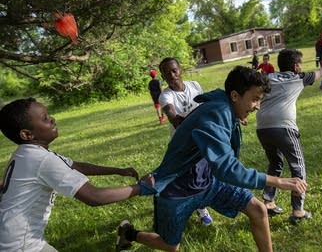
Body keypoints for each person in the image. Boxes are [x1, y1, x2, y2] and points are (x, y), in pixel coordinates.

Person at [115, 66, 308, 252]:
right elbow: (228, 168)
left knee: (258, 210)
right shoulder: (217, 113)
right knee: (170, 245)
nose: (257, 106)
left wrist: (236, 117)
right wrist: (279, 181)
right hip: (178, 189)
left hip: (209, 180)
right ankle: (128, 233)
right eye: (255, 99)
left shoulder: (225, 106)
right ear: (234, 95)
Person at [0, 98, 152, 252]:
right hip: (20, 246)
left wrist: (117, 170)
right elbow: (94, 197)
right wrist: (141, 188)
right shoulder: (41, 159)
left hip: (12, 238)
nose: (52, 119)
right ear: (27, 134)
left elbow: (76, 166)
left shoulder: (26, 153)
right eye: (45, 118)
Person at [256, 49, 322, 224]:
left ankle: (268, 202)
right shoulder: (299, 77)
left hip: (262, 128)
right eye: (300, 63)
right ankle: (298, 211)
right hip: (284, 128)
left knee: (275, 163)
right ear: (296, 66)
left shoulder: (268, 78)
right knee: (297, 166)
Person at [157, 57, 213, 226]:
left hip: (202, 138)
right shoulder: (165, 96)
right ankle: (201, 208)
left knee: (207, 172)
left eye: (174, 70)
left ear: (180, 70)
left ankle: (201, 200)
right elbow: (175, 119)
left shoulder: (195, 85)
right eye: (167, 73)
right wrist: (200, 116)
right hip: (183, 144)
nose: (172, 75)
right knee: (193, 176)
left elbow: (207, 106)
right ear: (163, 76)